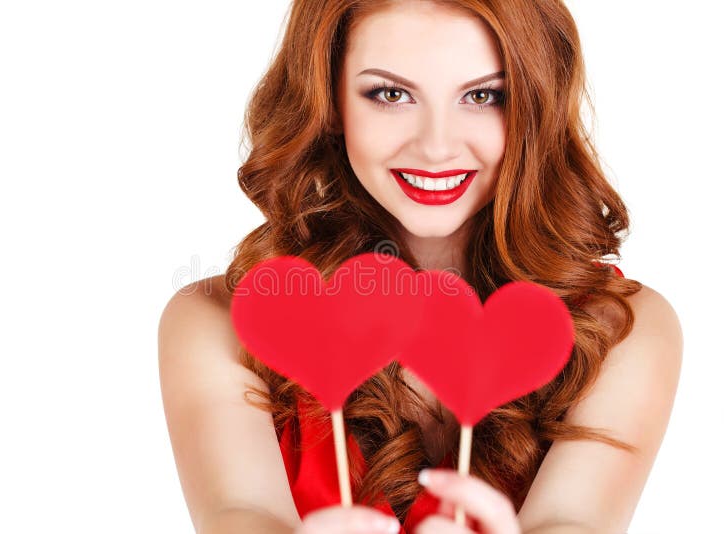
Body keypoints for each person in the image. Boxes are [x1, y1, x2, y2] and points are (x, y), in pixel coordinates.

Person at [158, 1, 683, 533]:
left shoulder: (622, 327)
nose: (436, 147)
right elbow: (241, 514)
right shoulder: (215, 321)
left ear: (532, 106)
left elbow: (572, 521)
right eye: (391, 94)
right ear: (331, 100)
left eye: (483, 96)